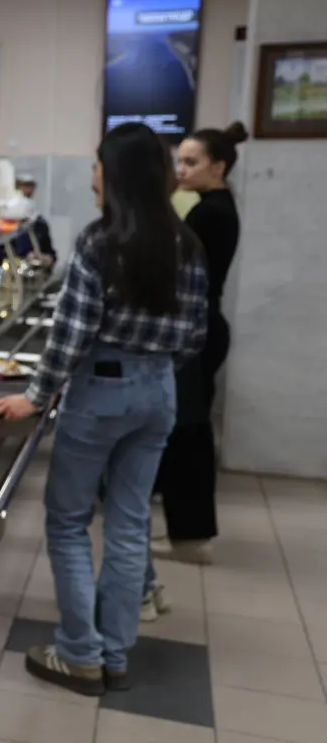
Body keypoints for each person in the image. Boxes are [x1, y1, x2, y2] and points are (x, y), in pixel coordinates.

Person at [0, 123, 209, 696]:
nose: (92, 177)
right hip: (159, 390)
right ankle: (114, 652)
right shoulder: (187, 244)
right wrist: (151, 369)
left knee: (68, 521)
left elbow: (73, 333)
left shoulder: (99, 242)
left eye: (97, 165)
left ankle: (79, 654)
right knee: (130, 522)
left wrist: (36, 395)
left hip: (101, 390)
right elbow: (194, 336)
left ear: (117, 174)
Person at [148, 123, 244, 568]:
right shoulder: (214, 205)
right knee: (188, 432)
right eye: (178, 162)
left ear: (218, 167)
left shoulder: (210, 213)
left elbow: (175, 266)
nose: (182, 170)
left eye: (191, 162)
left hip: (199, 330)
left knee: (189, 435)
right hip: (206, 327)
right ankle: (188, 530)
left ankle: (191, 538)